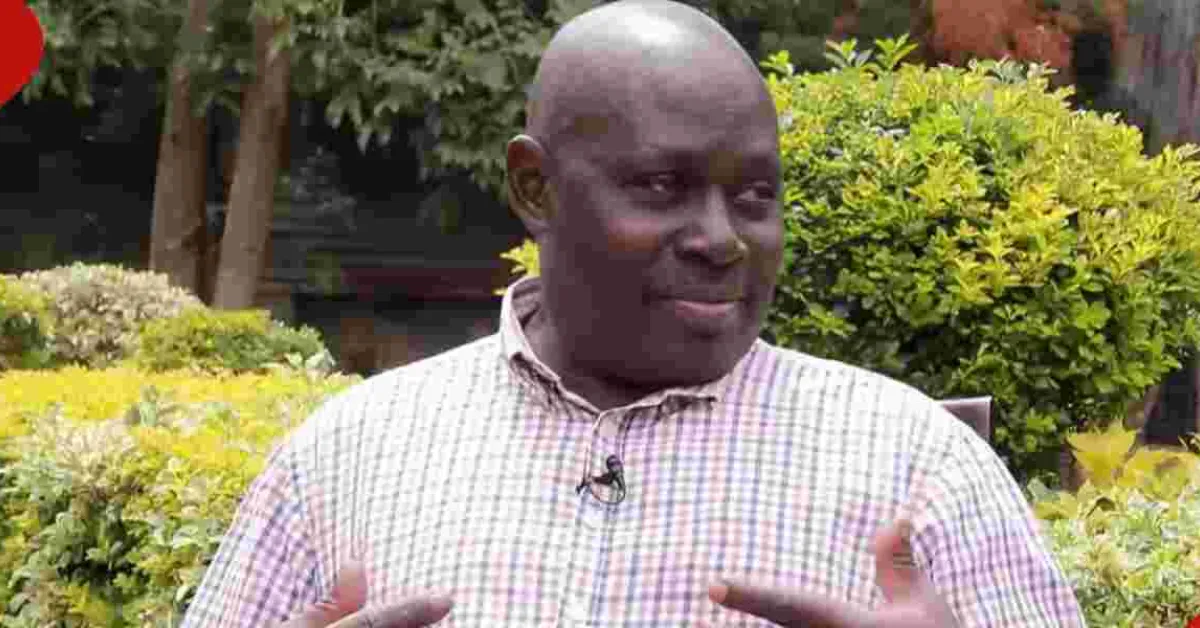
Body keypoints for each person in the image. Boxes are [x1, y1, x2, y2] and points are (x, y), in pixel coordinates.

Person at [181, 1, 1085, 626]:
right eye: (660, 186)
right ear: (535, 187)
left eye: (755, 197)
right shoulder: (345, 458)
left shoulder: (919, 468)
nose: (721, 240)